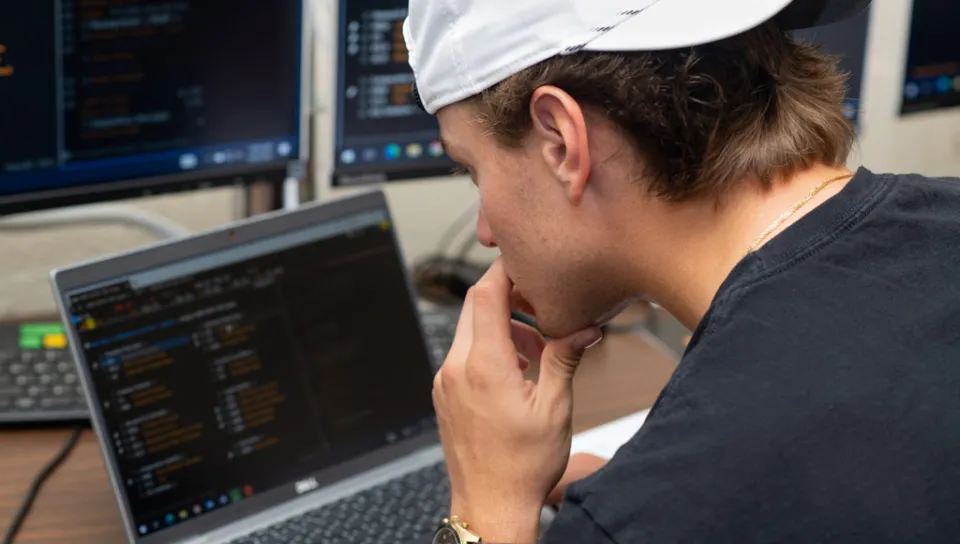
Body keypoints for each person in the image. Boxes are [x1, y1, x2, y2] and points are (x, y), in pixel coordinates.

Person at [404, 0, 960, 542]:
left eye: (472, 169)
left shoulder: (654, 512)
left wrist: (488, 506)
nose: (485, 232)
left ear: (561, 143)